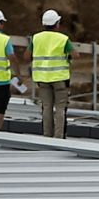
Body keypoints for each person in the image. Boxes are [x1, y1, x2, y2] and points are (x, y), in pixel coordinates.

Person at [31, 10, 74, 139]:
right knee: (60, 108)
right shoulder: (63, 39)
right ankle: (58, 136)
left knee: (46, 107)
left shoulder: (36, 38)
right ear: (57, 24)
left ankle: (47, 135)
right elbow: (76, 54)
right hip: (60, 79)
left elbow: (27, 55)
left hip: (42, 79)